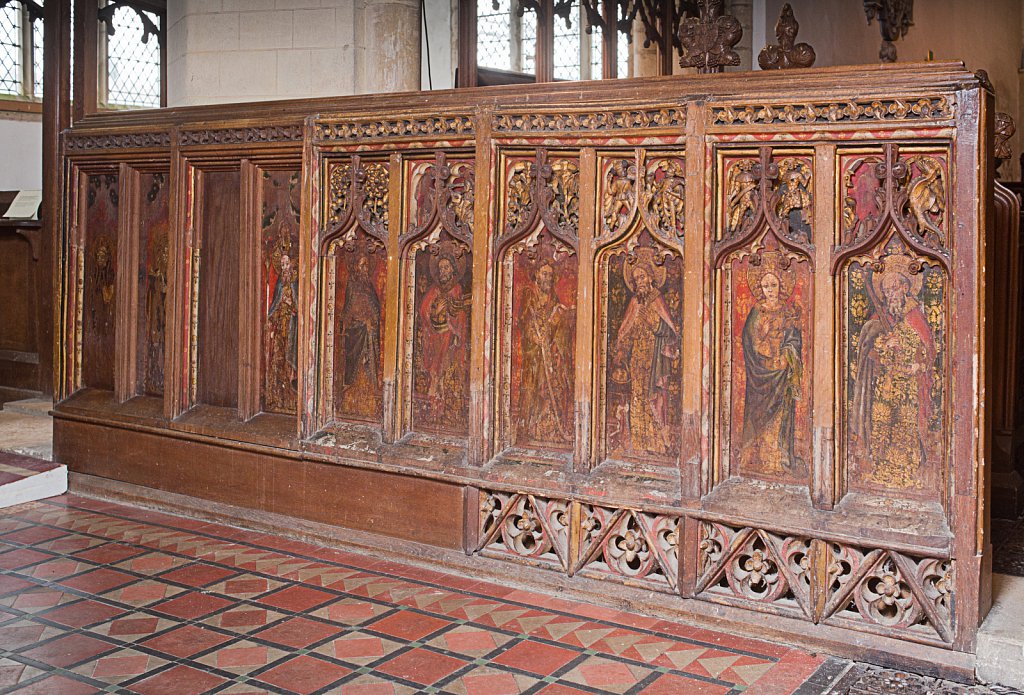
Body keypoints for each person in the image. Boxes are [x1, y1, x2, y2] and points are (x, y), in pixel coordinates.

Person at [850, 254, 936, 489]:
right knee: (882, 422)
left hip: (907, 382)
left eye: (895, 287)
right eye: (887, 289)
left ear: (906, 287)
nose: (890, 293)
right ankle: (881, 468)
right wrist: (881, 345)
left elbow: (927, 347)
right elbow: (870, 348)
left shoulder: (915, 315)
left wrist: (906, 347)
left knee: (903, 425)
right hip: (885, 383)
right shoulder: (881, 316)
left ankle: (906, 471)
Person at [740, 252, 803, 474]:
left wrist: (787, 355)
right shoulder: (757, 311)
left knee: (781, 416)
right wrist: (762, 335)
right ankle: (756, 457)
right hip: (760, 373)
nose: (769, 290)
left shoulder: (788, 311)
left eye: (773, 285)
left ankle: (778, 460)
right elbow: (748, 341)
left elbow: (795, 339)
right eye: (765, 285)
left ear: (781, 286)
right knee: (759, 415)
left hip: (782, 371)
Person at [612, 249, 679, 456]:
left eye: (642, 276)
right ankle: (640, 442)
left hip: (655, 357)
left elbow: (670, 331)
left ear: (651, 277)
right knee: (637, 395)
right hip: (637, 358)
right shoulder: (635, 302)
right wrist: (621, 349)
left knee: (654, 398)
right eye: (635, 278)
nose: (639, 281)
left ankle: (657, 442)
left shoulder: (657, 300)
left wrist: (654, 323)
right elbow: (626, 330)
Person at [518, 259, 573, 446]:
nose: (547, 278)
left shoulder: (553, 297)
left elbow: (554, 325)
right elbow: (525, 321)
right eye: (544, 273)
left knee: (551, 385)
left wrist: (560, 316)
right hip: (534, 354)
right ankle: (530, 428)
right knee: (533, 388)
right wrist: (535, 337)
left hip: (548, 351)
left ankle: (547, 428)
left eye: (550, 274)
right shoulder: (529, 294)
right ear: (536, 275)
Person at [417, 248, 470, 429]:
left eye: (446, 268)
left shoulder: (456, 289)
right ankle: (434, 409)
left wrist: (452, 323)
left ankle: (448, 409)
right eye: (441, 268)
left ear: (453, 270)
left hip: (450, 339)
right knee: (435, 374)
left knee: (447, 372)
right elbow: (423, 310)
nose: (443, 272)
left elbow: (461, 314)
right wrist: (434, 311)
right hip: (434, 337)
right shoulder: (435, 289)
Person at [339, 254, 382, 419]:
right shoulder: (352, 285)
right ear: (356, 267)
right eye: (362, 265)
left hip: (370, 332)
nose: (364, 269)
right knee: (354, 361)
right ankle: (351, 395)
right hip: (356, 332)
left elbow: (376, 309)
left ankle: (370, 395)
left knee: (369, 364)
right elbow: (348, 311)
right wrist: (363, 322)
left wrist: (372, 321)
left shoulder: (369, 286)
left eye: (366, 266)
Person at [265, 235, 299, 411]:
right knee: (278, 358)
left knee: (289, 358)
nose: (284, 267)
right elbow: (274, 305)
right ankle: (276, 393)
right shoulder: (280, 284)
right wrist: (273, 316)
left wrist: (292, 306)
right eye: (282, 264)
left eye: (287, 264)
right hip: (280, 327)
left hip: (292, 326)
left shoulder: (294, 283)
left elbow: (299, 306)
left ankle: (291, 392)